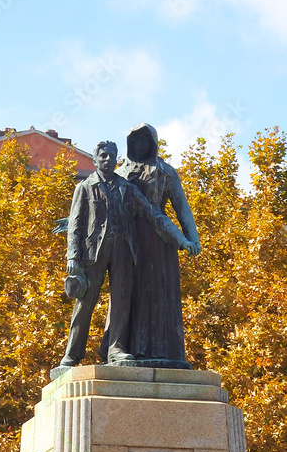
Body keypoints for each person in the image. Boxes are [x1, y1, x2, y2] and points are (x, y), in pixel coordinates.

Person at [59, 140, 195, 367]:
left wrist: (181, 240)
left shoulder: (127, 188)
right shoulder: (84, 187)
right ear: (95, 159)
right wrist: (72, 257)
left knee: (121, 302)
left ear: (116, 159)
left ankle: (116, 349)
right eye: (103, 155)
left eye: (112, 156)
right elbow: (75, 226)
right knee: (85, 304)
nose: (107, 159)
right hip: (93, 253)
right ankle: (72, 355)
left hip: (123, 252)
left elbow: (155, 216)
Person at [100, 124, 200, 365]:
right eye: (134, 141)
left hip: (160, 240)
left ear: (153, 143)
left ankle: (164, 351)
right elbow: (102, 203)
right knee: (126, 292)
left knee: (158, 294)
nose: (138, 146)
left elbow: (182, 207)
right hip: (128, 240)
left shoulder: (166, 172)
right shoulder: (121, 172)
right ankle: (122, 347)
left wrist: (192, 238)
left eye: (143, 141)